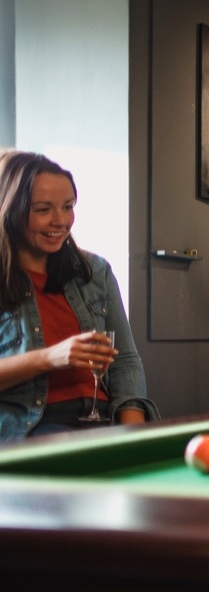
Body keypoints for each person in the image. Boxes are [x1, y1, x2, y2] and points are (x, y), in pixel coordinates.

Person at [0, 150, 158, 440]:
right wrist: (50, 358)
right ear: (11, 209)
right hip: (29, 429)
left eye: (68, 206)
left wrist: (133, 435)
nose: (60, 221)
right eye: (43, 209)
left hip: (104, 422)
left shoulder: (95, 271)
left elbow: (124, 362)